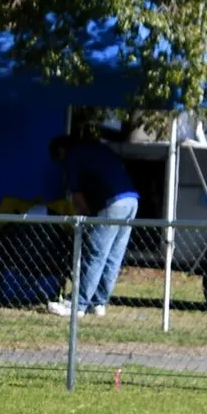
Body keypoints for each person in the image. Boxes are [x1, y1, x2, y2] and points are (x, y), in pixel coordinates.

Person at [46, 134, 139, 317]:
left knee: (95, 253)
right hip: (131, 201)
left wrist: (85, 215)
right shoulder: (98, 149)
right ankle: (98, 303)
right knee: (113, 256)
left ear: (61, 151)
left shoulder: (73, 156)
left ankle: (77, 305)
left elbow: (77, 194)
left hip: (112, 203)